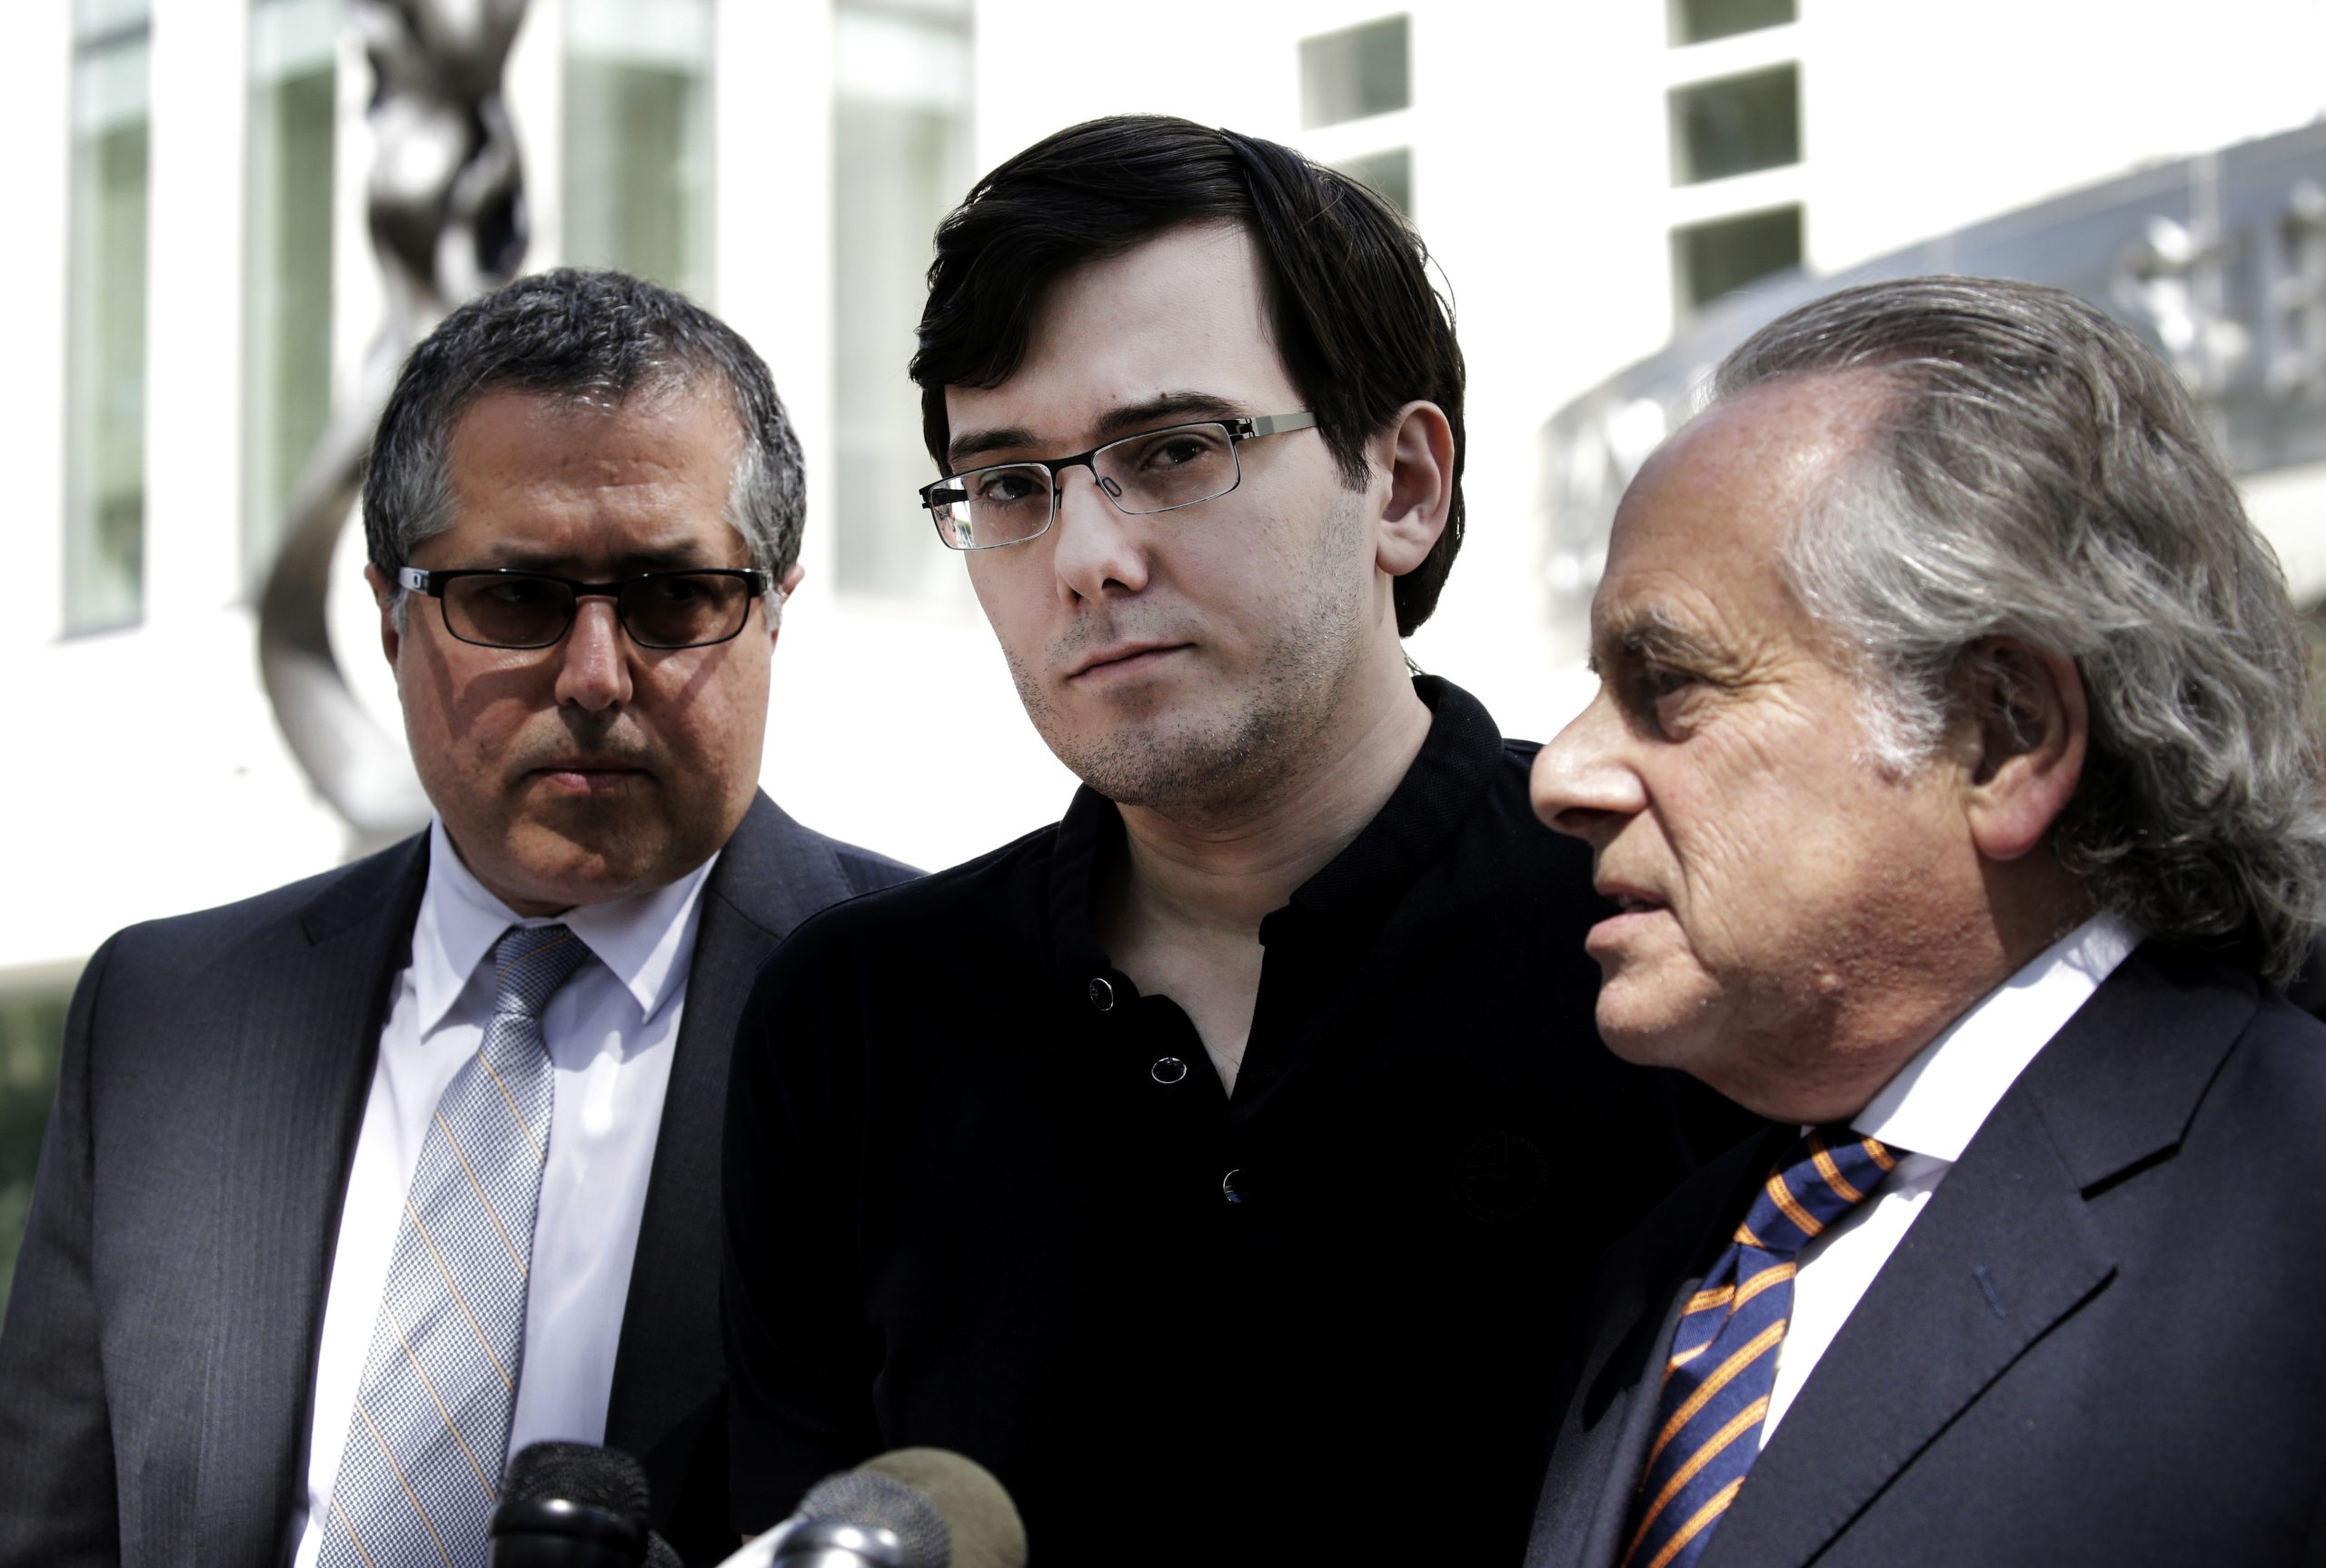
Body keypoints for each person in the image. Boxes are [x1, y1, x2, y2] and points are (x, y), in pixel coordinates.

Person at [721, 115, 1735, 1565]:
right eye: (1010, 485)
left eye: (1176, 449)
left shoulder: (1667, 933)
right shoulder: (855, 1023)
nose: (1086, 558)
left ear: (1401, 485)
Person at [0, 268, 916, 1568]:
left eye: (672, 596)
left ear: (774, 608)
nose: (597, 675)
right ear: (388, 615)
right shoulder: (165, 1015)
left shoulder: (954, 1016)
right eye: (514, 598)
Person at [1525, 275, 2326, 1568]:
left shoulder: (2287, 1219)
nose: (1562, 774)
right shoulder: (1671, 1268)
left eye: (1666, 685)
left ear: (2004, 735)